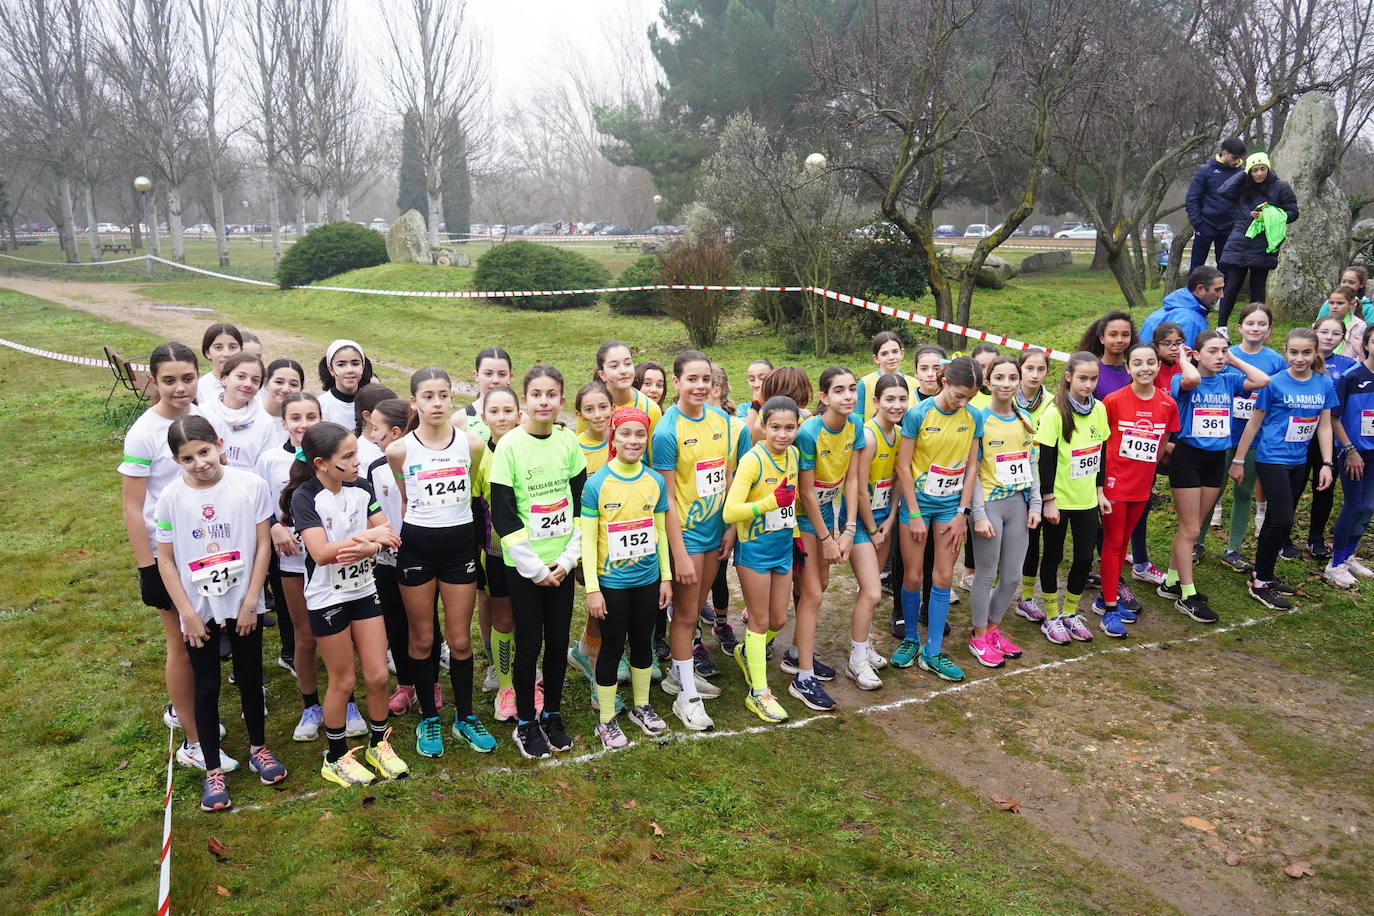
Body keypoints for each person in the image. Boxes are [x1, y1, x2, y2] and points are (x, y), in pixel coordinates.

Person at [156, 417, 286, 811]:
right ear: (177, 461)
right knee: (207, 686)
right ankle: (212, 768)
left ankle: (258, 749)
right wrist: (187, 615)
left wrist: (251, 601)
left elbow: (263, 545)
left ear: (219, 444)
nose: (199, 463)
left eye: (204, 452)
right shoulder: (170, 498)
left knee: (250, 678)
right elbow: (165, 561)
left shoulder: (250, 486)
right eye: (187, 458)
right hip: (198, 609)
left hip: (243, 602)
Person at [121, 342, 230, 772]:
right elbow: (133, 507)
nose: (180, 388)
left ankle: (199, 714)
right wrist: (147, 567)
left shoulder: (205, 417)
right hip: (170, 556)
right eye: (169, 380)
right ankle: (192, 737)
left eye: (187, 378)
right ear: (153, 381)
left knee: (210, 636)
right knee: (184, 642)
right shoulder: (143, 433)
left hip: (215, 547)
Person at [284, 422, 407, 787]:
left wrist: (372, 546)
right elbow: (321, 553)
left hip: (364, 591)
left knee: (379, 674)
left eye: (356, 453)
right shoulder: (305, 497)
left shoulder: (361, 486)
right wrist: (369, 537)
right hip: (328, 599)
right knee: (344, 679)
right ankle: (336, 756)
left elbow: (389, 535)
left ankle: (378, 745)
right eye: (348, 456)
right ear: (321, 463)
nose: (358, 462)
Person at [386, 368, 493, 758]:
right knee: (424, 638)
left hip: (459, 549)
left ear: (452, 399)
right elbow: (405, 496)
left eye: (443, 395)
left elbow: (470, 488)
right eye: (427, 396)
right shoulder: (399, 450)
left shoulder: (473, 443)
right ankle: (429, 717)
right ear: (414, 401)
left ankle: (465, 716)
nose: (436, 403)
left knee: (461, 640)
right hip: (417, 550)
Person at [489, 366, 587, 759]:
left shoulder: (569, 443)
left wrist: (567, 560)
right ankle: (526, 722)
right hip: (526, 570)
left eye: (551, 394)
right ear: (523, 401)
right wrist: (535, 568)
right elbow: (504, 516)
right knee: (529, 645)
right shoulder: (509, 446)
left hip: (562, 567)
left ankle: (554, 714)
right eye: (536, 394)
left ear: (561, 401)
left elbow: (582, 506)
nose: (543, 401)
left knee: (558, 642)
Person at [580, 406, 673, 748]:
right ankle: (606, 720)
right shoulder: (597, 484)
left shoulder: (655, 481)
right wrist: (593, 589)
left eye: (640, 434)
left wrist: (665, 578)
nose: (633, 441)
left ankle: (642, 706)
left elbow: (660, 533)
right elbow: (588, 541)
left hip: (647, 580)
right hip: (612, 584)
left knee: (643, 642)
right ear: (613, 438)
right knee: (611, 648)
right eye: (625, 434)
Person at [651, 351, 735, 731]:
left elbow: (727, 476)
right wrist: (679, 553)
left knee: (695, 607)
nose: (700, 386)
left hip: (716, 533)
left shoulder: (722, 421)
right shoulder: (668, 431)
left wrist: (731, 527)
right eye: (692, 379)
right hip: (686, 537)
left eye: (705, 379)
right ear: (678, 382)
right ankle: (687, 697)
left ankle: (676, 676)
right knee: (685, 616)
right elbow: (665, 498)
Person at [1164, 331, 1270, 622]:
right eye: (1213, 351)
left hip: (1216, 460)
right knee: (1190, 530)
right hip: (1187, 458)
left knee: (1194, 525)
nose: (1220, 356)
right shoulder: (1182, 379)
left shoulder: (1229, 379)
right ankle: (1187, 595)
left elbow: (1262, 381)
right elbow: (1193, 380)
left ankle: (1171, 580)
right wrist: (1185, 359)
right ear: (1196, 354)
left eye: (1224, 351)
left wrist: (1234, 359)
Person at [1229, 327, 1336, 610]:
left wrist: (1327, 463)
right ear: (1285, 352)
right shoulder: (1274, 383)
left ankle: (1262, 574)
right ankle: (1261, 581)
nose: (1299, 358)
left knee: (1277, 518)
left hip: (1299, 461)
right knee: (1284, 520)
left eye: (1306, 353)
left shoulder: (1324, 384)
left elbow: (1324, 426)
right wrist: (1239, 460)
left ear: (1315, 354)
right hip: (1271, 458)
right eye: (1293, 352)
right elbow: (1254, 422)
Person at [892, 357, 983, 681]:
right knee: (913, 577)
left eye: (969, 398)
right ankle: (911, 640)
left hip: (950, 508)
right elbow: (903, 466)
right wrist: (914, 513)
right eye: (959, 395)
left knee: (943, 578)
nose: (963, 402)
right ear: (943, 381)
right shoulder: (918, 413)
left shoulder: (973, 417)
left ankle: (932, 651)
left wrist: (963, 513)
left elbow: (972, 467)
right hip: (917, 505)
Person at [789, 366, 865, 711]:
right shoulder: (808, 433)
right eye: (839, 390)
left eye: (852, 389)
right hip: (800, 518)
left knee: (817, 588)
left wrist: (848, 529)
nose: (847, 396)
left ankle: (795, 654)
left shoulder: (856, 425)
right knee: (814, 593)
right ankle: (803, 678)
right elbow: (806, 493)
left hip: (827, 516)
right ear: (823, 397)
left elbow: (851, 480)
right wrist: (826, 538)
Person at [254, 392, 329, 739]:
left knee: (337, 635)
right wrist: (275, 527)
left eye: (311, 417)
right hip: (293, 563)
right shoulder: (269, 459)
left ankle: (345, 701)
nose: (303, 424)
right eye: (296, 418)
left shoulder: (331, 457)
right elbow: (260, 507)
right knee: (305, 635)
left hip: (331, 561)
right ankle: (310, 705)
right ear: (283, 423)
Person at [723, 395, 801, 723]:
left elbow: (791, 504)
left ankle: (746, 651)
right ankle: (759, 693)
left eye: (790, 428)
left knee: (779, 620)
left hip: (782, 548)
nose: (782, 435)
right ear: (763, 426)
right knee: (759, 621)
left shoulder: (794, 455)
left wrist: (797, 541)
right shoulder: (753, 461)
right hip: (754, 550)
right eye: (776, 428)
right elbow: (730, 510)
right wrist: (768, 502)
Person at [1094, 343, 1180, 637]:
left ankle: (1105, 595)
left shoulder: (1168, 404)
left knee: (1123, 543)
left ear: (1158, 366)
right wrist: (1100, 485)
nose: (1145, 368)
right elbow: (1101, 443)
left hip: (1142, 485)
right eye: (1138, 363)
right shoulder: (1113, 401)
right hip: (1115, 484)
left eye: (1151, 362)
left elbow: (1162, 442)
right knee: (1114, 543)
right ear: (1127, 368)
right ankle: (1108, 609)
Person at [1197, 303, 1286, 571]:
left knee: (1243, 492)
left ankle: (1233, 549)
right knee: (1212, 491)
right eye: (1250, 323)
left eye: (1261, 324)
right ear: (1239, 328)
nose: (1255, 328)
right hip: (1220, 435)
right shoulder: (1223, 354)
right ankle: (1197, 542)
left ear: (1269, 331)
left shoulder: (1275, 361)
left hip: (1255, 440)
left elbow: (1275, 396)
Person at [966, 357, 1040, 666]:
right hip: (989, 506)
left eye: (1013, 377)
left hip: (1017, 505)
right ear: (988, 381)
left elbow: (1031, 462)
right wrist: (979, 513)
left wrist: (1035, 502)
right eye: (1000, 377)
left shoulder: (1024, 418)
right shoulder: (979, 420)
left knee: (1011, 577)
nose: (1007, 383)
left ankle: (995, 629)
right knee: (985, 575)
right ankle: (978, 635)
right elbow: (973, 469)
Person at [1036, 352, 1110, 644]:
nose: (1088, 384)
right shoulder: (1054, 412)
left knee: (1083, 557)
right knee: (1053, 556)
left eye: (1093, 379)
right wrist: (1048, 499)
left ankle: (1069, 613)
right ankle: (1051, 616)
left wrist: (1100, 491)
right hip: (1060, 500)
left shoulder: (1100, 410)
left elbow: (1100, 453)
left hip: (1087, 501)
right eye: (1082, 378)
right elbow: (1046, 460)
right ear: (1068, 377)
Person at [847, 373, 907, 689]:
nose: (897, 405)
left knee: (870, 593)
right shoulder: (868, 437)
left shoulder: (899, 434)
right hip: (859, 522)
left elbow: (898, 479)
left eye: (902, 399)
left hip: (883, 519)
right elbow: (856, 488)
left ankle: (863, 645)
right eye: (890, 399)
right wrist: (871, 528)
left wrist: (891, 519)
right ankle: (856, 661)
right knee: (872, 591)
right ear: (875, 402)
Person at [470, 386, 524, 724]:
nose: (502, 418)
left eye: (509, 411)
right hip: (496, 554)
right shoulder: (480, 457)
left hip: (535, 554)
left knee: (530, 621)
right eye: (495, 412)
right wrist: (477, 556)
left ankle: (527, 676)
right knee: (504, 620)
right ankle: (506, 688)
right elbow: (475, 509)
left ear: (520, 415)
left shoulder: (529, 450)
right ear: (484, 417)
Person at [1216, 152, 1300, 331]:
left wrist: (1270, 215)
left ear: (1268, 169)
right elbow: (1223, 191)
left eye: (1262, 169)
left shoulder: (1280, 187)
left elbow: (1293, 212)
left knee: (1258, 288)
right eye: (1254, 170)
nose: (1259, 174)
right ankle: (1221, 327)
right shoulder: (1243, 186)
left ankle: (1258, 327)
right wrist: (1243, 172)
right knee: (1231, 285)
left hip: (1264, 242)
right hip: (1240, 239)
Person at [1328, 324, 1374, 585]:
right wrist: (1350, 450)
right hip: (1354, 453)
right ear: (1366, 345)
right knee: (1355, 505)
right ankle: (1334, 563)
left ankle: (1348, 556)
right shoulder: (1351, 376)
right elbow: (1334, 418)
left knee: (1368, 508)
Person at [1014, 348, 1054, 623]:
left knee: (1033, 542)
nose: (1034, 374)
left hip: (1043, 480)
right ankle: (994, 588)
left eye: (1040, 369)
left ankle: (1026, 597)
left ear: (1047, 372)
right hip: (1011, 482)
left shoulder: (1052, 403)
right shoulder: (1005, 398)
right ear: (1020, 370)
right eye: (1029, 368)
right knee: (1005, 542)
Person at [199, 354, 275, 472]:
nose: (248, 384)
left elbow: (268, 466)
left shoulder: (265, 422)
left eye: (255, 380)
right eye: (241, 376)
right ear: (224, 379)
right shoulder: (202, 414)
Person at [1185, 138, 1247, 272]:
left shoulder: (1243, 173)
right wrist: (1198, 223)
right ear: (1224, 153)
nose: (1237, 161)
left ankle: (1224, 293)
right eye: (1234, 157)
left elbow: (1246, 200)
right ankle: (1193, 293)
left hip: (1229, 228)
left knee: (1226, 268)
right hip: (1206, 225)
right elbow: (1192, 198)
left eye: (1239, 158)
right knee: (1196, 268)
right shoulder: (1205, 170)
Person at [1139, 266, 1226, 347]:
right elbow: (1182, 359)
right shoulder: (1188, 320)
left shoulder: (1178, 306)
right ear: (1200, 289)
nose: (1221, 295)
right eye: (1217, 290)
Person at [317, 339, 376, 428]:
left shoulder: (373, 403)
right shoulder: (321, 405)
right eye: (341, 365)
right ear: (331, 370)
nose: (349, 370)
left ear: (363, 367)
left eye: (355, 364)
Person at [855, 332, 910, 421]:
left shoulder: (915, 384)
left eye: (895, 352)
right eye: (884, 354)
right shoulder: (865, 383)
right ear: (876, 358)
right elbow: (858, 417)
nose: (891, 357)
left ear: (902, 353)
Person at [258, 359, 305, 445]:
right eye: (279, 382)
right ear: (265, 383)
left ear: (301, 389)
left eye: (293, 385)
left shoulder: (303, 423)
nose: (286, 389)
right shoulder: (249, 413)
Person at [574, 381, 614, 474]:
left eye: (603, 407)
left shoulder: (621, 440)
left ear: (612, 409)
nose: (597, 415)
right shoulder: (576, 449)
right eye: (589, 409)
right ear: (579, 415)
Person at [197, 323, 242, 404]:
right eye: (218, 347)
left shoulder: (249, 385)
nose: (226, 354)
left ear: (241, 350)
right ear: (207, 353)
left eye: (232, 347)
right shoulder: (199, 388)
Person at [1322, 285, 1368, 361]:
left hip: (1349, 366)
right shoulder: (1321, 324)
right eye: (1331, 303)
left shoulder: (1360, 326)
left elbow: (1363, 353)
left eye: (1340, 303)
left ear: (1351, 304)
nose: (1334, 306)